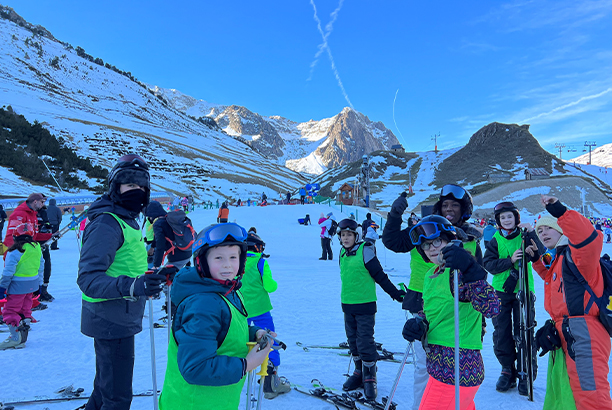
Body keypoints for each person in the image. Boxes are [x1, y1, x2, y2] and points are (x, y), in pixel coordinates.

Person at [77, 154, 176, 410]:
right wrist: (135, 286)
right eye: (131, 185)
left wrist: (150, 278)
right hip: (110, 318)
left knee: (105, 387)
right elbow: (88, 278)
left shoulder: (126, 219)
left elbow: (126, 265)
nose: (138, 192)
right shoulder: (107, 223)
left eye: (142, 187)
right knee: (118, 397)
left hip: (118, 316)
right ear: (115, 187)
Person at [382, 186, 483, 410]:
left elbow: (478, 280)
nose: (449, 209)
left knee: (452, 369)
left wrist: (481, 323)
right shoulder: (425, 230)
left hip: (455, 310)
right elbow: (392, 242)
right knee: (424, 367)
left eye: (454, 205)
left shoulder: (470, 240)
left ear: (464, 209)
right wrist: (395, 214)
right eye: (445, 205)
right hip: (422, 301)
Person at [159, 223, 273, 410]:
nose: (228, 264)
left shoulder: (227, 291)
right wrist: (247, 364)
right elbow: (195, 367)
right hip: (194, 403)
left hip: (216, 401)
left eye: (233, 257)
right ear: (202, 262)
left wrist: (254, 332)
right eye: (219, 258)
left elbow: (224, 329)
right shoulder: (203, 304)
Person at [402, 215, 500, 410]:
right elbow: (433, 312)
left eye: (437, 241)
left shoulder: (459, 273)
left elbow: (492, 307)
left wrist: (471, 269)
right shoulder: (432, 275)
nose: (431, 249)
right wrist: (419, 323)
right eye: (426, 246)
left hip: (458, 365)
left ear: (450, 240)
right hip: (438, 365)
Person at [529, 195, 612, 410]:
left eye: (547, 228)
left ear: (562, 230)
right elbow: (551, 280)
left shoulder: (579, 257)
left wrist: (561, 213)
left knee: (590, 396)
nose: (542, 233)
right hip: (567, 331)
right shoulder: (560, 258)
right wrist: (537, 260)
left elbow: (588, 238)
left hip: (585, 333)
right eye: (539, 231)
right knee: (569, 393)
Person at [338, 218, 405, 400]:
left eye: (349, 235)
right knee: (352, 341)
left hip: (365, 305)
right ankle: (359, 372)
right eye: (343, 235)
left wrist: (395, 293)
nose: (345, 238)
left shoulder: (365, 251)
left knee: (365, 341)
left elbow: (380, 276)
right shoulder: (342, 253)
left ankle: (370, 377)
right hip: (348, 305)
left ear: (356, 235)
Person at [483, 202, 538, 394]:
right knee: (502, 332)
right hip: (501, 292)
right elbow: (488, 264)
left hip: (523, 289)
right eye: (503, 217)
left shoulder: (524, 236)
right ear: (498, 221)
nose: (507, 220)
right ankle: (507, 370)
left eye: (510, 216)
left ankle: (526, 371)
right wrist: (510, 261)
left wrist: (531, 233)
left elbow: (539, 252)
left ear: (516, 218)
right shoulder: (495, 239)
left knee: (524, 331)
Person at [240, 228, 290, 399]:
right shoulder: (261, 262)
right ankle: (270, 379)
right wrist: (273, 284)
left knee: (241, 339)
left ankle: (239, 373)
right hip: (261, 309)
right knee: (268, 339)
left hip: (241, 310)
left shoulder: (236, 261)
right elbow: (270, 286)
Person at [0, 223, 43, 350]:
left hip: (17, 286)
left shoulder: (14, 251)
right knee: (25, 309)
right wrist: (39, 284)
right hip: (32, 284)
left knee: (10, 310)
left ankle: (15, 338)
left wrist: (2, 287)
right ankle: (22, 338)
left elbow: (8, 272)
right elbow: (41, 266)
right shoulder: (37, 248)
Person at [147, 202, 192, 271]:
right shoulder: (169, 219)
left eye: (149, 216)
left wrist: (156, 265)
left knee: (163, 278)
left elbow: (160, 244)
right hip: (187, 253)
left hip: (177, 257)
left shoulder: (158, 224)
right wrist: (153, 247)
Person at [35, 198, 54, 302]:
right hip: (32, 244)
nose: (42, 204)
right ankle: (35, 291)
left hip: (43, 242)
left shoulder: (43, 212)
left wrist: (47, 227)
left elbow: (47, 222)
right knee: (36, 267)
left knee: (46, 265)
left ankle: (44, 289)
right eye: (41, 201)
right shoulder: (28, 213)